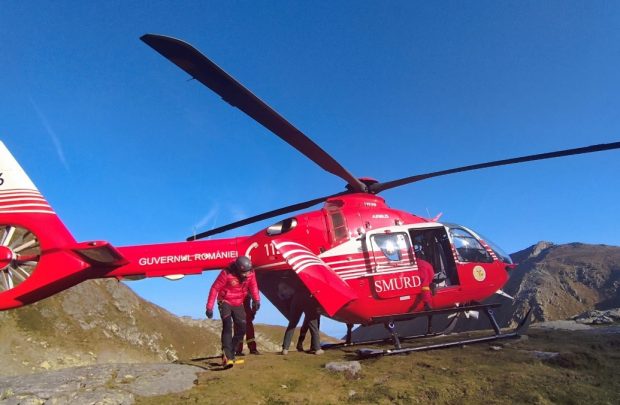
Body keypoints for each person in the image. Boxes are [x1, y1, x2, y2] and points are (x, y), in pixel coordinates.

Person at [205, 256, 260, 367]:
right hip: (225, 301)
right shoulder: (226, 273)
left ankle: (230, 352)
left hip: (238, 301)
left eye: (248, 272)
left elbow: (253, 286)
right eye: (244, 272)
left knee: (242, 327)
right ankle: (228, 355)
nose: (247, 274)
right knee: (227, 325)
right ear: (238, 269)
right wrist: (209, 307)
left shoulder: (250, 273)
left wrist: (256, 300)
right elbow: (215, 288)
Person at [281, 288, 322, 355]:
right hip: (309, 296)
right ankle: (317, 348)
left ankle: (285, 349)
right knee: (313, 325)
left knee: (292, 324)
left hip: (296, 297)